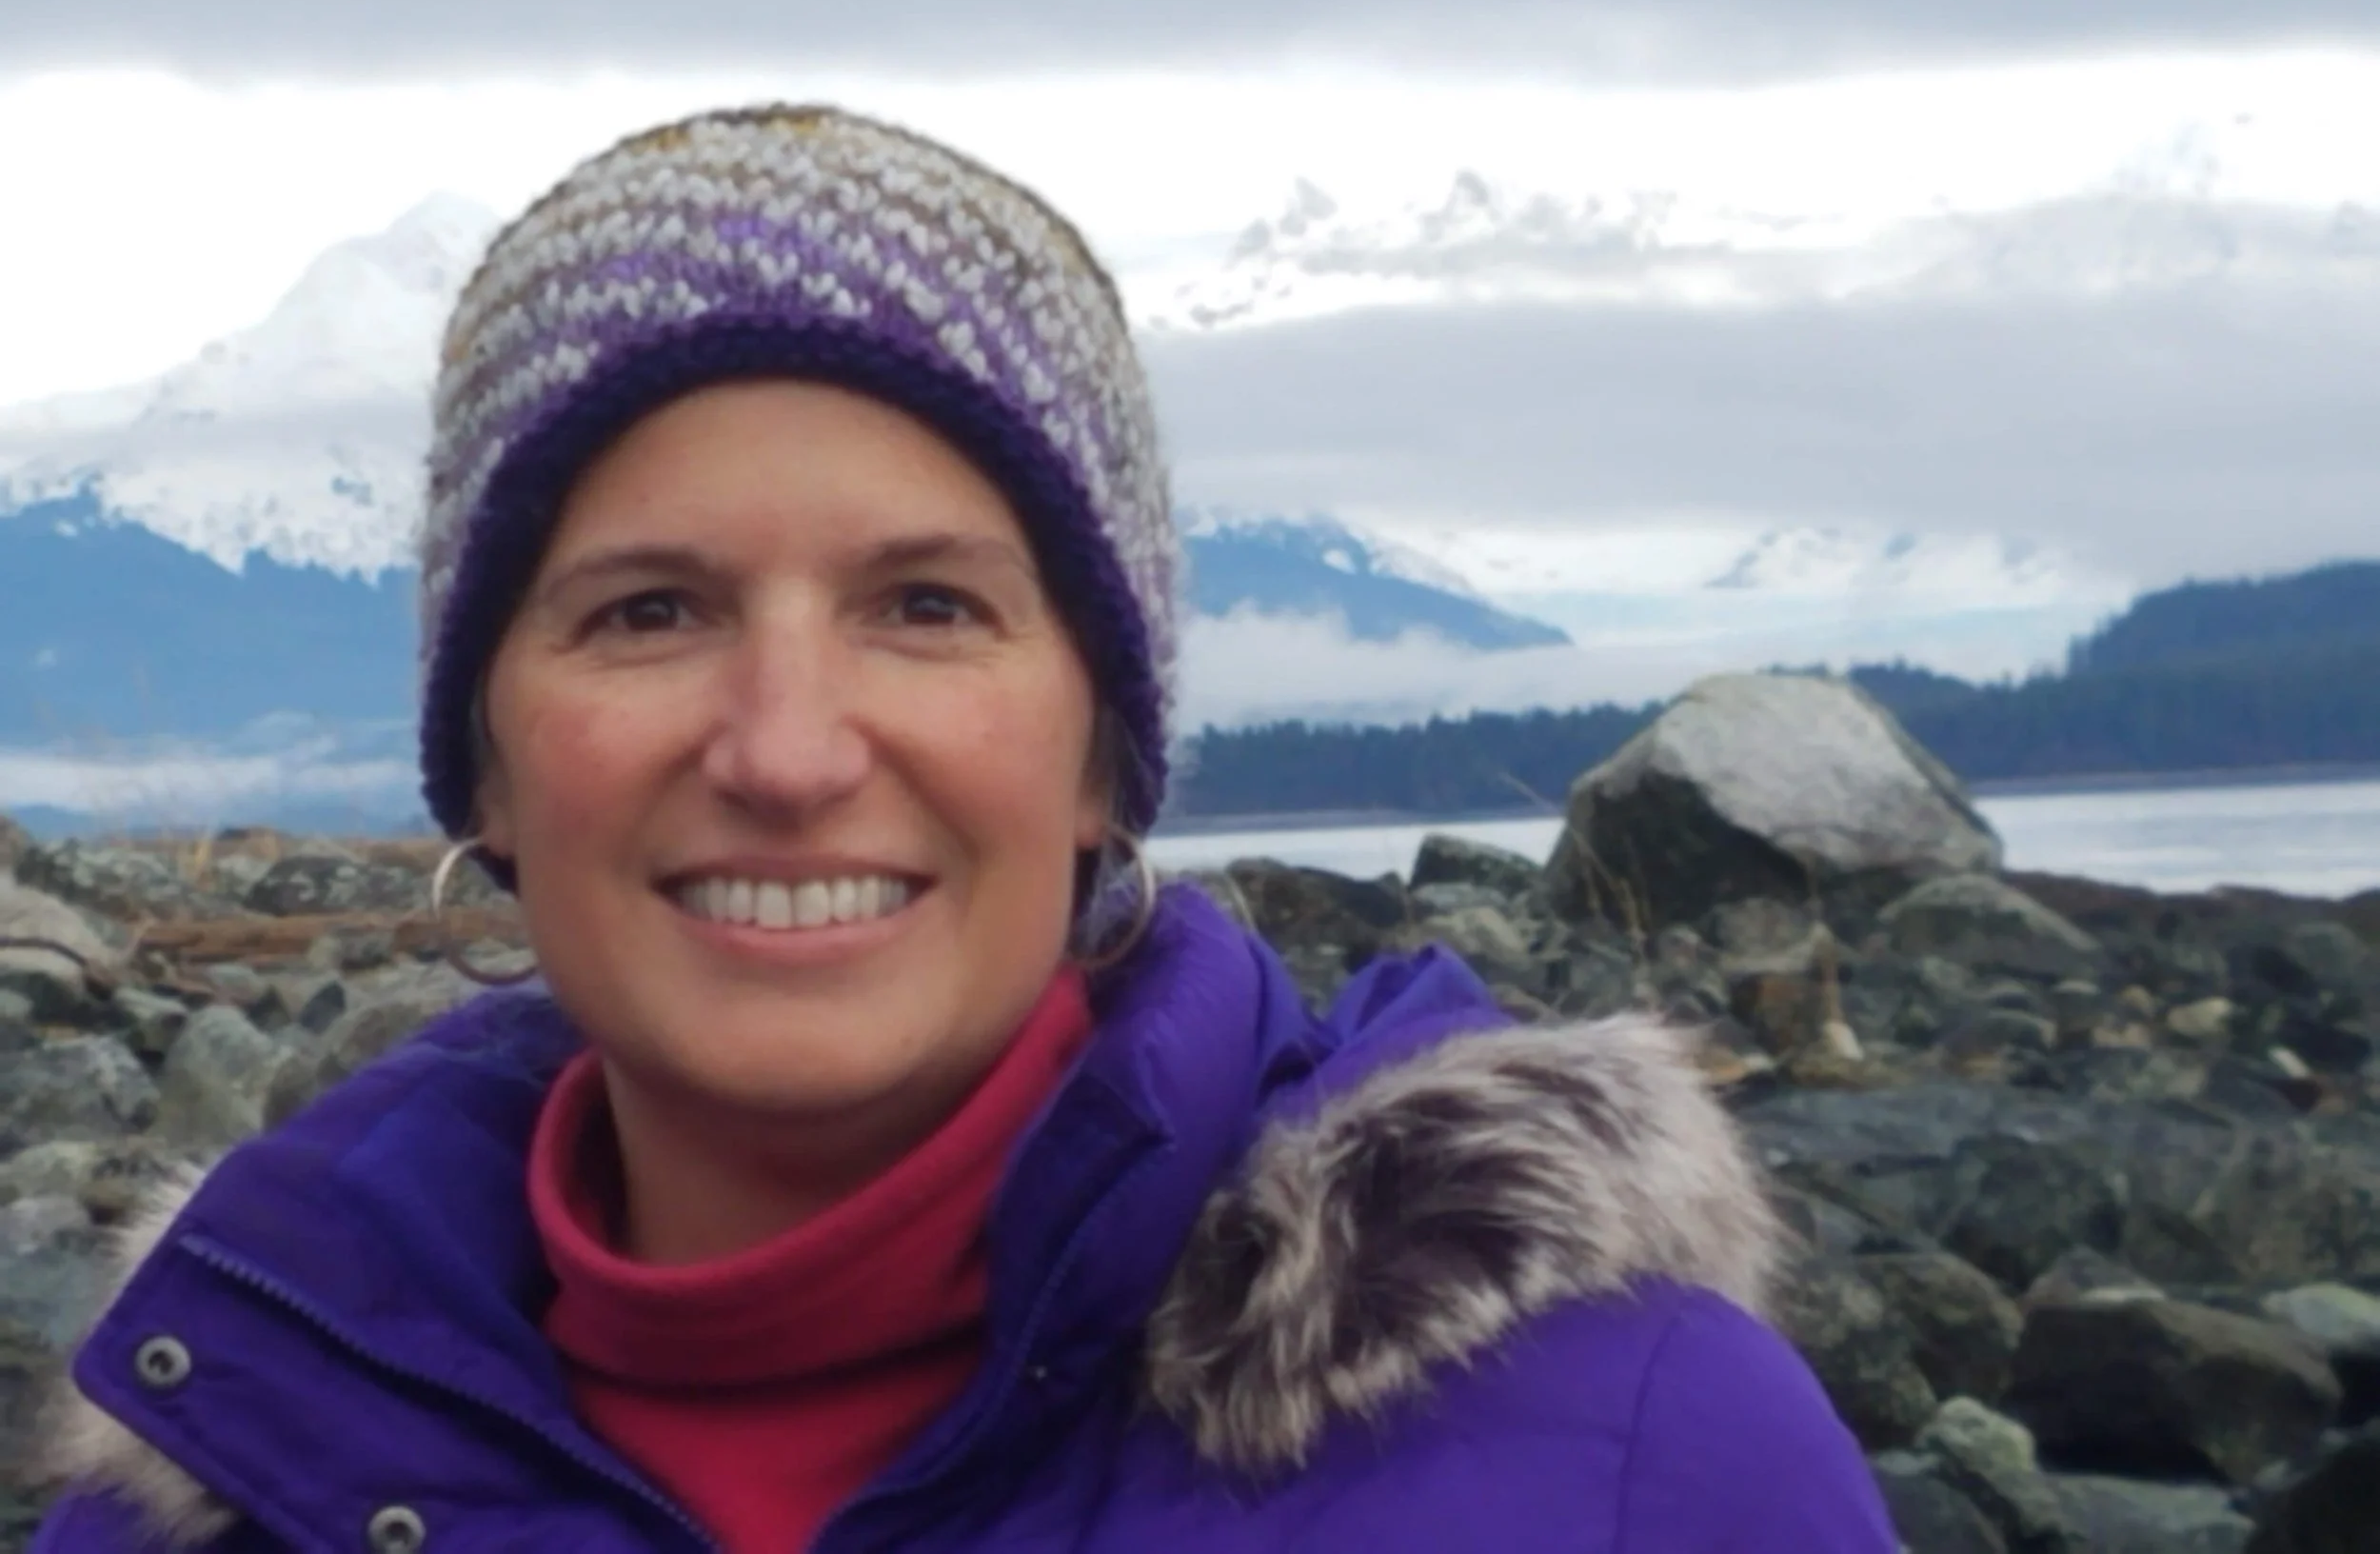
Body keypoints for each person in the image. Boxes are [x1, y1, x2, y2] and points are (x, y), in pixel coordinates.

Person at [33, 107, 1896, 1551]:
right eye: (648, 611)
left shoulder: (1636, 1455)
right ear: (488, 771)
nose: (785, 751)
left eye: (927, 606)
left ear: (1102, 757)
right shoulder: (222, 1459)